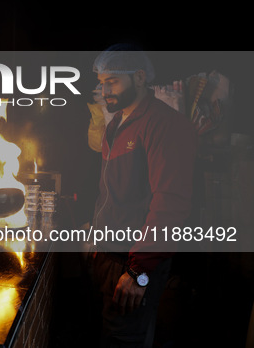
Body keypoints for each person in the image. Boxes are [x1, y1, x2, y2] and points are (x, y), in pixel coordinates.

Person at [86, 44, 197, 347]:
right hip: (109, 256)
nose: (104, 89)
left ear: (138, 78)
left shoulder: (165, 124)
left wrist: (139, 272)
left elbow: (170, 203)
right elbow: (115, 192)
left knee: (123, 342)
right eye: (101, 81)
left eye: (112, 81)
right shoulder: (118, 123)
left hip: (135, 262)